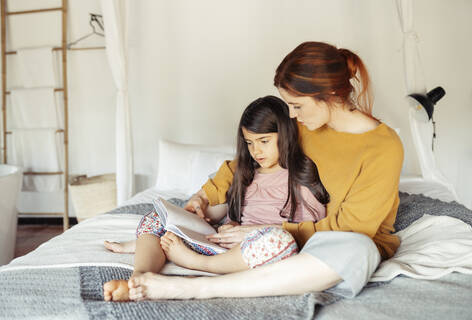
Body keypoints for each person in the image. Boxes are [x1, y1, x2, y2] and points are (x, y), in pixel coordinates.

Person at [127, 41, 404, 301]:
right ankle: (150, 270)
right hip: (284, 238)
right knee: (173, 215)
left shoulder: (383, 147)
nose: (293, 116)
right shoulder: (307, 125)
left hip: (334, 244)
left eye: (297, 105)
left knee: (357, 248)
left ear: (329, 94)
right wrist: (203, 196)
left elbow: (350, 229)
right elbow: (246, 164)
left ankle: (197, 288)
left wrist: (267, 230)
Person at [103, 95, 329, 301]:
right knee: (155, 217)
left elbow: (308, 233)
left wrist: (255, 230)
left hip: (257, 249)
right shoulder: (243, 173)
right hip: (222, 246)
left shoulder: (302, 177)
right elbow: (213, 210)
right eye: (249, 143)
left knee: (278, 241)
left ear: (286, 134)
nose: (256, 151)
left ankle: (197, 264)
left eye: (264, 141)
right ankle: (139, 278)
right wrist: (197, 209)